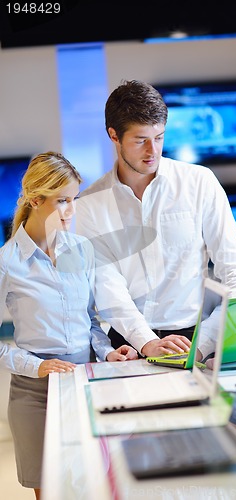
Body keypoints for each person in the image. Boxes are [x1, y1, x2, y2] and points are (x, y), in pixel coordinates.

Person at [76, 79, 236, 358]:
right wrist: (147, 342)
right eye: (140, 140)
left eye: (159, 137)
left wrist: (203, 343)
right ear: (114, 136)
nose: (153, 151)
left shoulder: (199, 182)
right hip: (128, 345)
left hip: (195, 337)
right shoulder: (89, 203)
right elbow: (107, 287)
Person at [0, 152, 137, 500]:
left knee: (97, 487)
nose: (71, 212)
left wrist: (107, 353)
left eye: (73, 200)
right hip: (35, 394)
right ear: (34, 199)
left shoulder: (83, 251)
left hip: (85, 383)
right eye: (62, 201)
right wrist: (37, 365)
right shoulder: (8, 262)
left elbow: (91, 322)